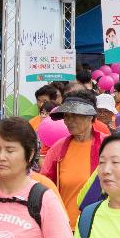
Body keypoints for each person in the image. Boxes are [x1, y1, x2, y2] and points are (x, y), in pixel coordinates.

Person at [42, 90, 104, 228]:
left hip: (100, 228)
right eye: (66, 116)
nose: (69, 121)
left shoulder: (108, 146)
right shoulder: (57, 149)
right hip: (66, 227)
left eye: (75, 115)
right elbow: (45, 186)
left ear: (90, 116)